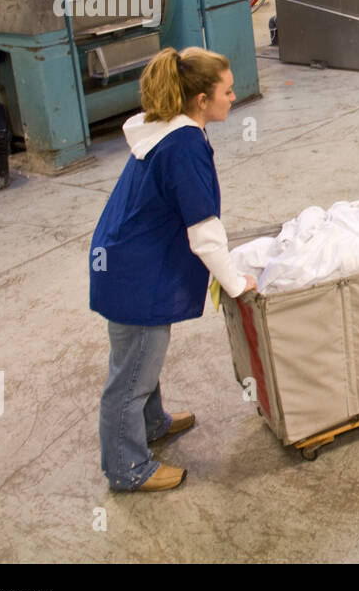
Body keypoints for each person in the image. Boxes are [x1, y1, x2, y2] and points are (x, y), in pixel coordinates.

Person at [91, 47, 256, 493]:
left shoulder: (169, 129)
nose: (233, 97)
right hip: (135, 276)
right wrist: (236, 283)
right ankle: (126, 468)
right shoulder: (183, 146)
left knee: (141, 357)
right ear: (201, 100)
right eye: (226, 91)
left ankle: (151, 424)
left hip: (126, 261)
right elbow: (204, 232)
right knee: (131, 375)